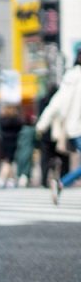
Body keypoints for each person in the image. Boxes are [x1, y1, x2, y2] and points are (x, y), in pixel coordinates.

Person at [37, 50, 81, 198]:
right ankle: (62, 183)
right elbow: (56, 103)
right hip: (77, 128)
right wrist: (42, 124)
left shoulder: (71, 77)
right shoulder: (74, 78)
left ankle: (61, 184)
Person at [0, 104, 23, 189]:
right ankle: (5, 178)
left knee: (7, 161)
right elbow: (20, 127)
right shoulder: (15, 120)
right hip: (13, 142)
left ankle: (7, 179)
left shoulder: (1, 119)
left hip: (4, 142)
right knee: (10, 161)